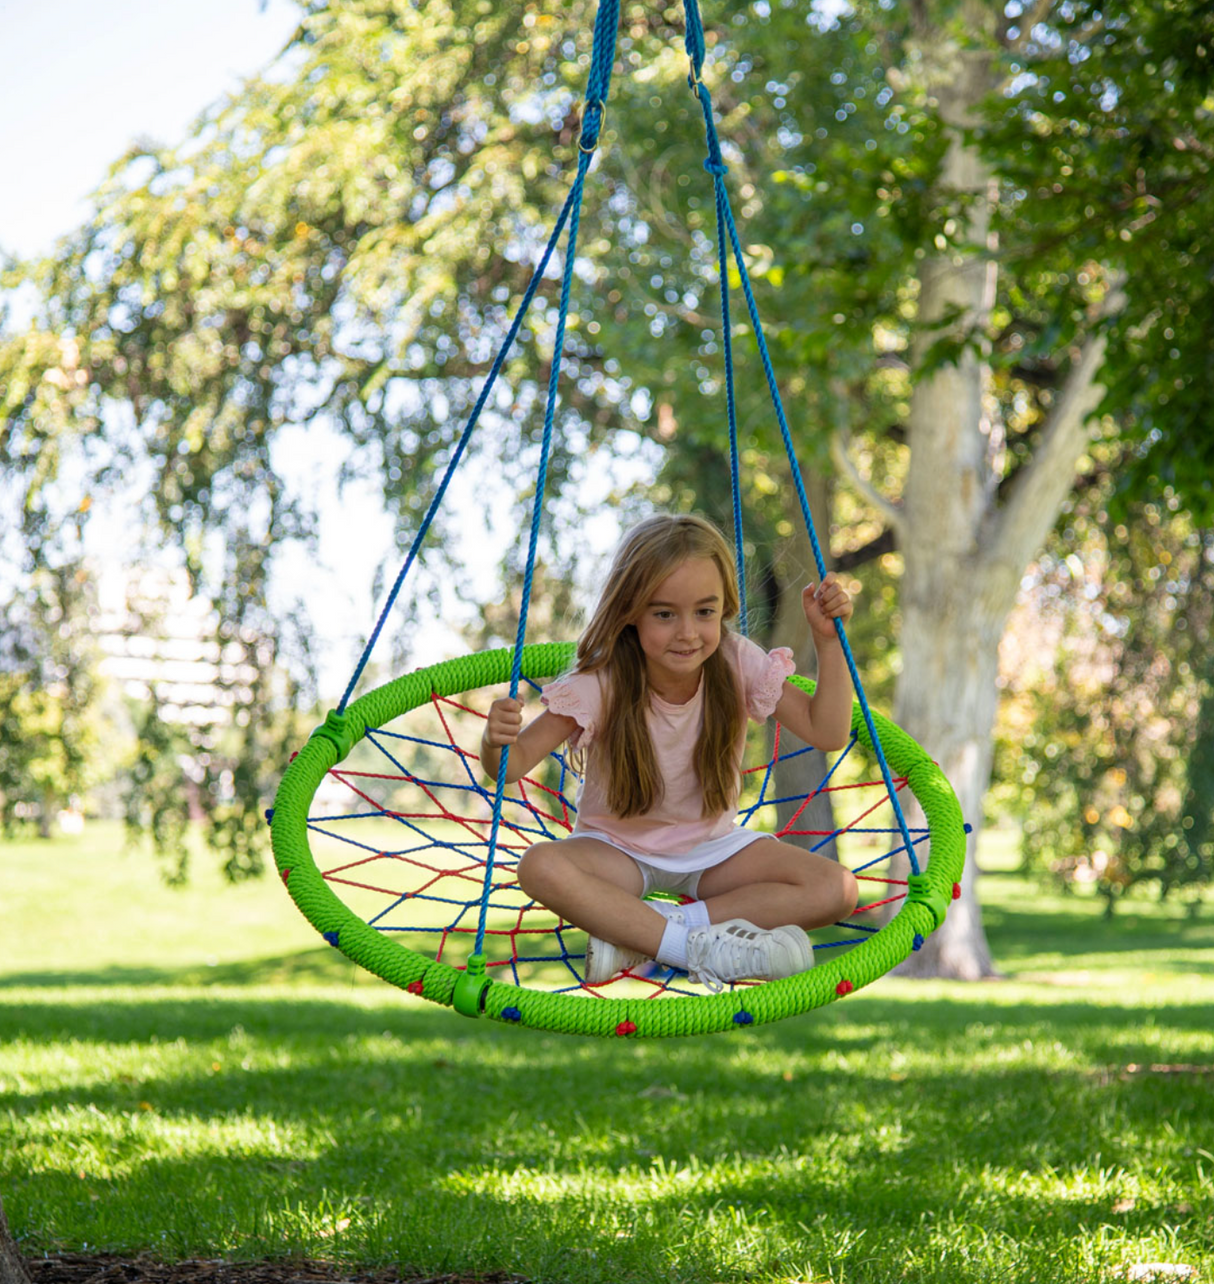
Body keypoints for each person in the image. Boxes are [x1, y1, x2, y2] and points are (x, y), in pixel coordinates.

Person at [479, 513, 859, 991]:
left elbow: (827, 731)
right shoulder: (603, 681)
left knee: (836, 889)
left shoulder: (735, 661)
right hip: (616, 851)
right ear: (629, 612)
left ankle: (648, 932)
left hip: (713, 849)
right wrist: (496, 742)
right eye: (664, 614)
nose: (687, 633)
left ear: (723, 608)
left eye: (704, 612)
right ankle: (693, 949)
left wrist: (829, 644)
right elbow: (509, 768)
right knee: (539, 866)